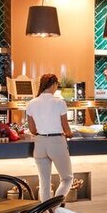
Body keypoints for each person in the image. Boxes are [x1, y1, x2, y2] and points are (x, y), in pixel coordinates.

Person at [25, 74, 74, 206]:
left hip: (40, 144)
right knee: (67, 178)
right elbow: (66, 129)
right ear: (53, 84)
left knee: (44, 184)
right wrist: (70, 134)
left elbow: (32, 130)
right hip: (56, 142)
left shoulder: (31, 103)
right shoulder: (59, 102)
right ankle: (54, 208)